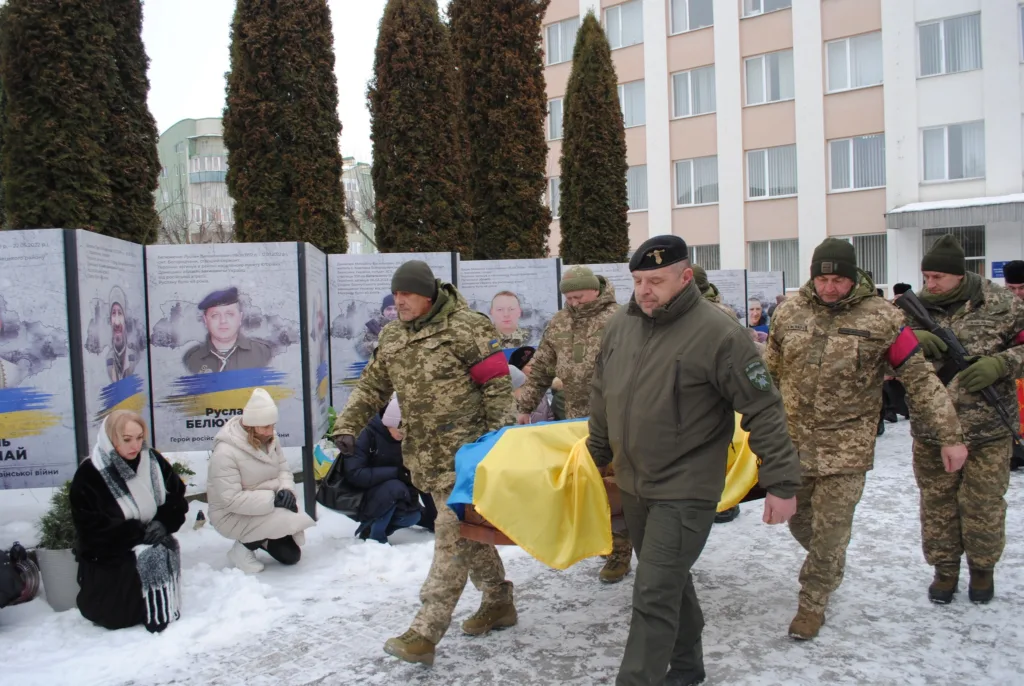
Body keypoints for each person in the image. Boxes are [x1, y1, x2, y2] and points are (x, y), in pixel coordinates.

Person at [587, 235, 801, 686]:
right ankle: (687, 669)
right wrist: (597, 452)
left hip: (686, 487)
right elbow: (601, 392)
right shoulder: (620, 327)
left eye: (657, 281)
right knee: (666, 581)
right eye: (639, 280)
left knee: (652, 592)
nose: (645, 290)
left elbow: (763, 407)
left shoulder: (719, 333)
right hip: (634, 484)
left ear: (686, 278)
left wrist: (781, 483)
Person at [765, 238, 966, 640]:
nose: (830, 288)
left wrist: (949, 435)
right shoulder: (788, 313)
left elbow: (920, 380)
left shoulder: (884, 319)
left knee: (830, 531)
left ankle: (812, 603)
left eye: (839, 279)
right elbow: (768, 374)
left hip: (847, 448)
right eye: (823, 279)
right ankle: (829, 564)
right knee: (801, 523)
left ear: (853, 275)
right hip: (793, 446)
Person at [332, 260, 515, 666]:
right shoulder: (394, 335)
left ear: (428, 296)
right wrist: (347, 425)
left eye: (407, 295)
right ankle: (500, 600)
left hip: (468, 456)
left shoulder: (468, 327)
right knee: (468, 533)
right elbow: (373, 384)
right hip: (425, 458)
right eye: (395, 295)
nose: (399, 302)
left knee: (451, 536)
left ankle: (425, 631)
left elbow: (498, 388)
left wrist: (498, 445)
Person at [909, 236, 1024, 604]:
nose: (930, 284)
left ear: (962, 275)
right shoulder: (910, 308)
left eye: (939, 276)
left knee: (983, 504)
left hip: (988, 427)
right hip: (933, 430)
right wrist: (911, 338)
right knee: (937, 503)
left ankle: (982, 570)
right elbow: (881, 348)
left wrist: (1002, 364)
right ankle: (944, 571)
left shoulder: (1002, 302)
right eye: (926, 275)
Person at [514, 266, 630, 581]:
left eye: (579, 295)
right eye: (569, 297)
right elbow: (539, 368)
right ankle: (603, 543)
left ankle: (621, 551)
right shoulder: (559, 323)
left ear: (595, 290)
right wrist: (524, 406)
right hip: (575, 419)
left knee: (616, 485)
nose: (574, 302)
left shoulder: (620, 319)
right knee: (589, 483)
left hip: (617, 418)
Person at [69, 410, 188, 633]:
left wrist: (163, 522)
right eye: (127, 439)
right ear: (111, 438)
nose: (135, 445)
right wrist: (137, 533)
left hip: (152, 544)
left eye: (139, 437)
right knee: (116, 618)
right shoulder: (90, 474)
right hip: (109, 557)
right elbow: (91, 530)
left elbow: (177, 499)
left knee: (154, 558)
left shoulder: (153, 461)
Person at [207, 388, 315, 574]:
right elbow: (231, 499)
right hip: (231, 514)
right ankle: (242, 549)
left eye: (272, 425)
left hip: (264, 506)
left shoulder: (270, 438)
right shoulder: (225, 452)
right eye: (265, 426)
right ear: (250, 426)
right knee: (287, 527)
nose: (270, 431)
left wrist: (286, 491)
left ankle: (262, 537)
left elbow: (284, 470)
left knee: (291, 556)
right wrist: (273, 499)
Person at [347, 396, 431, 544]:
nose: (403, 433)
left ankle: (375, 528)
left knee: (413, 516)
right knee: (394, 488)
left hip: (397, 494)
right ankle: (376, 538)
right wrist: (396, 473)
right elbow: (355, 474)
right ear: (389, 422)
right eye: (399, 428)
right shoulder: (367, 434)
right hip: (364, 494)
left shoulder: (410, 439)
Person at [183, 287, 273, 374]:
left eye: (229, 314)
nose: (223, 321)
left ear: (240, 318)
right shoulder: (192, 359)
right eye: (215, 315)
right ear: (205, 321)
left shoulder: (262, 352)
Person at [1000, 260, 1024, 471]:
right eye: (1012, 288)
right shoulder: (999, 309)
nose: (1017, 293)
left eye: (1022, 288)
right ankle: (1014, 454)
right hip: (1010, 374)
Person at [510, 347, 554, 424]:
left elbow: (550, 417)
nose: (535, 369)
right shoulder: (508, 398)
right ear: (519, 369)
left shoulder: (540, 393)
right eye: (530, 365)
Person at [105, 287, 136, 383]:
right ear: (110, 319)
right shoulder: (108, 359)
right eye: (113, 314)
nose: (117, 322)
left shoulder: (133, 358)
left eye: (120, 313)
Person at [356, 294, 399, 359]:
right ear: (383, 311)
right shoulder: (372, 327)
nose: (393, 312)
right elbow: (358, 348)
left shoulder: (409, 326)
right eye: (389, 309)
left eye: (396, 309)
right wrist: (375, 345)